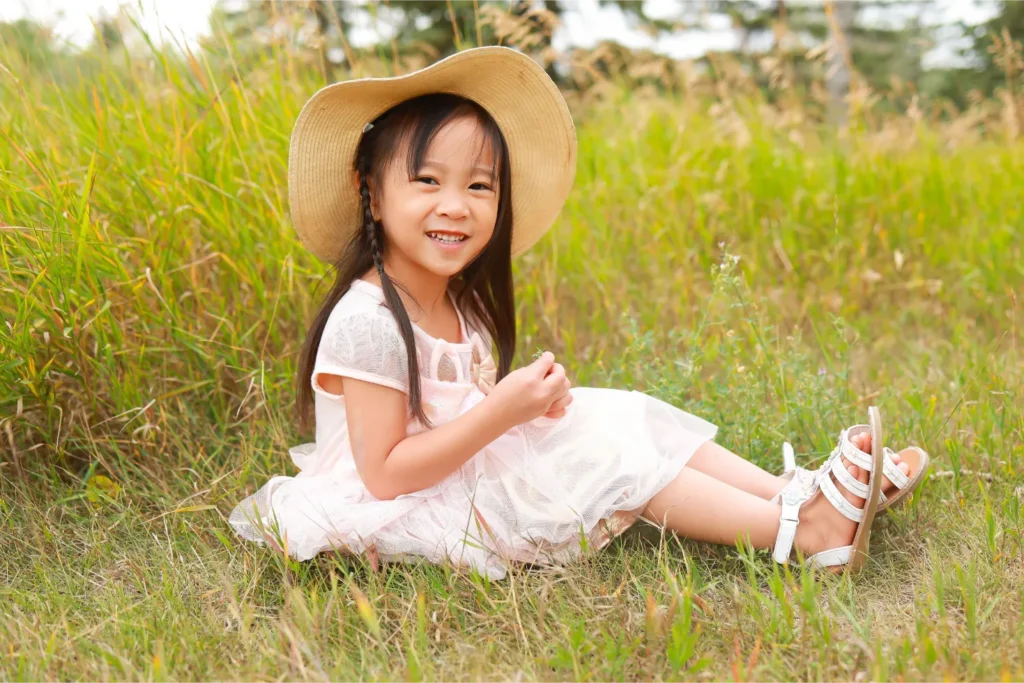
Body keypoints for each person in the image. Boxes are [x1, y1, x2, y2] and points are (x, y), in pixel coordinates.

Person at [229, 47, 929, 580]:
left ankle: (793, 493)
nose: (456, 205)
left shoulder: (455, 300)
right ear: (371, 194)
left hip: (456, 467)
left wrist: (527, 407)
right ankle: (803, 534)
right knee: (609, 453)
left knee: (624, 410)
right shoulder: (368, 319)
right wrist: (502, 411)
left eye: (479, 185)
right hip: (405, 507)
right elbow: (385, 473)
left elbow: (456, 415)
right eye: (427, 181)